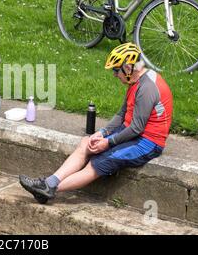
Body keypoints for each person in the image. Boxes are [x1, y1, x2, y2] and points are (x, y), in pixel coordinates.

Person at [19, 43, 173, 204]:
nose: (114, 75)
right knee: (87, 143)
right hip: (132, 131)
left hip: (147, 142)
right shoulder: (136, 80)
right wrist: (102, 133)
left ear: (127, 68)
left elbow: (137, 128)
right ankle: (48, 183)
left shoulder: (147, 88)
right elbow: (122, 114)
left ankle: (49, 190)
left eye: (116, 70)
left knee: (98, 163)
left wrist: (108, 143)